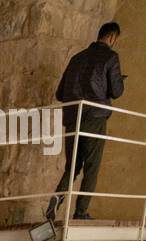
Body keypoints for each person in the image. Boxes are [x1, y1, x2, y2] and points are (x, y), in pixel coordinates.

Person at [47, 22, 124, 222]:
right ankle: (80, 212)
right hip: (95, 118)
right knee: (92, 166)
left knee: (72, 166)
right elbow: (117, 91)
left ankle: (56, 199)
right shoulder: (110, 57)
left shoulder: (76, 58)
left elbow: (60, 93)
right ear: (112, 37)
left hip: (73, 119)